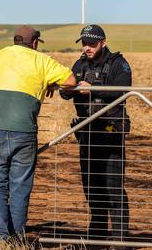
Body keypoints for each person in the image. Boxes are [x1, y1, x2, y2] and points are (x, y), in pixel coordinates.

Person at [0, 25, 76, 244]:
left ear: (14, 41)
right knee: (20, 186)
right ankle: (16, 238)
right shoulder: (41, 60)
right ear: (34, 43)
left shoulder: (0, 55)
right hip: (24, 130)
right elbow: (71, 81)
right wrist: (48, 81)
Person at [60, 24, 132, 244]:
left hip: (110, 134)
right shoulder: (79, 64)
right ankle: (97, 237)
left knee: (113, 187)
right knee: (91, 186)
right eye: (84, 43)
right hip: (87, 135)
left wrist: (92, 89)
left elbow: (123, 90)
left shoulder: (119, 64)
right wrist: (66, 89)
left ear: (103, 42)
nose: (87, 48)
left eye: (92, 43)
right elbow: (64, 91)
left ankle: (120, 240)